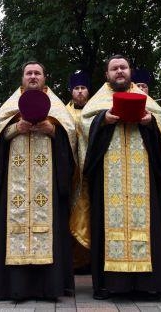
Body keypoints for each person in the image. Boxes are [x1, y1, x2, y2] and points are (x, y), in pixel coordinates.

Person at [0, 61, 77, 300]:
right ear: (22, 77)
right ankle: (14, 288)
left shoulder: (58, 109)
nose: (33, 77)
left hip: (47, 186)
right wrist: (14, 129)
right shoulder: (8, 108)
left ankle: (50, 288)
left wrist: (54, 131)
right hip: (14, 187)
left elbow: (71, 142)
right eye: (28, 73)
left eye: (37, 73)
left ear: (45, 77)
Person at [77, 55, 161, 300]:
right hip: (107, 177)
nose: (119, 71)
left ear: (130, 71)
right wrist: (104, 119)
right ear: (107, 74)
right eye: (114, 68)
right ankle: (112, 285)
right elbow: (83, 127)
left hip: (144, 175)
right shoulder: (97, 102)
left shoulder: (147, 100)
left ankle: (150, 284)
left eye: (123, 67)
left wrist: (151, 122)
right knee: (107, 223)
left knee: (150, 222)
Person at [65, 71, 92, 272]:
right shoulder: (63, 113)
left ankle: (89, 259)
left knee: (89, 212)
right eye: (77, 89)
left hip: (90, 170)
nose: (80, 92)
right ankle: (73, 260)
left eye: (83, 88)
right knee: (71, 211)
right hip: (71, 172)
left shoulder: (96, 111)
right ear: (71, 92)